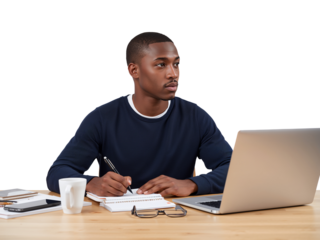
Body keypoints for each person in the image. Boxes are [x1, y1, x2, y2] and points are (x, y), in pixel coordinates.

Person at [45, 31, 233, 197]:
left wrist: (192, 184)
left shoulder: (196, 116)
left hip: (178, 218)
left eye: (177, 64)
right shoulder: (101, 118)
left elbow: (236, 170)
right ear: (133, 70)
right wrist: (91, 184)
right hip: (117, 219)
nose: (173, 74)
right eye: (161, 65)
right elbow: (56, 172)